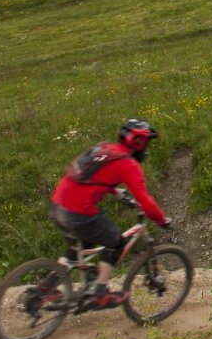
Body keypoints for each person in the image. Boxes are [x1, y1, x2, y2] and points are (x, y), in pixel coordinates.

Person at [49, 119, 171, 310]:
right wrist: (161, 219)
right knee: (116, 242)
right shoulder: (128, 164)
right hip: (77, 211)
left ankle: (45, 288)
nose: (146, 148)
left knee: (81, 245)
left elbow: (90, 176)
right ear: (138, 143)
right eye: (146, 143)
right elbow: (145, 201)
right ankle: (99, 292)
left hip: (58, 204)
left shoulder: (103, 149)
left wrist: (116, 191)